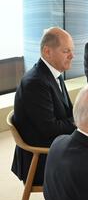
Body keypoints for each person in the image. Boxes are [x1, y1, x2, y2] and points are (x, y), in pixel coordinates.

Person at [11, 27, 76, 186]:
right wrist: (80, 122)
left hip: (53, 145)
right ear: (47, 52)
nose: (72, 56)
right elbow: (50, 128)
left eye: (72, 51)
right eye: (66, 51)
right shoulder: (36, 83)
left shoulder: (53, 73)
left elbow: (66, 113)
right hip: (41, 158)